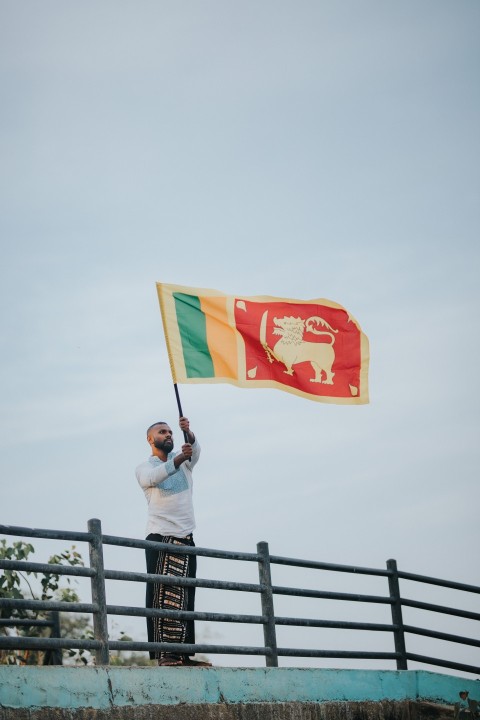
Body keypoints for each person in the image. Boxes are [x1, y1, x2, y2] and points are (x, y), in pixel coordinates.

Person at [136, 416, 211, 667]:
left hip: (186, 537)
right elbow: (154, 478)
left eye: (170, 432)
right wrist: (178, 458)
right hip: (160, 536)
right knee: (161, 595)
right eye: (162, 432)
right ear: (150, 439)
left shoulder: (186, 463)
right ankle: (164, 654)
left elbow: (196, 450)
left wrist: (188, 433)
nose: (168, 435)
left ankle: (183, 654)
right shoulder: (144, 468)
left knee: (185, 596)